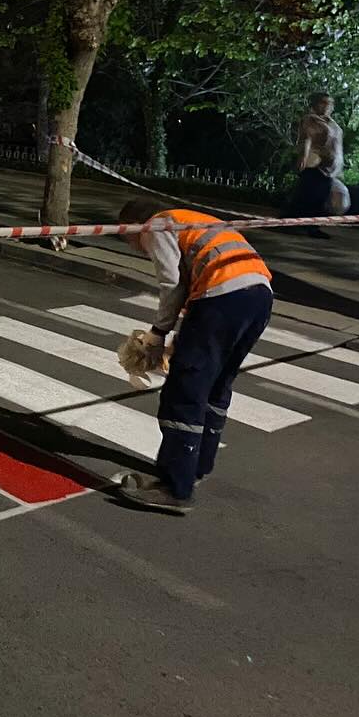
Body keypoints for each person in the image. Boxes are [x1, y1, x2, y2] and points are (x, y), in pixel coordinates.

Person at [114, 198, 274, 515]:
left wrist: (157, 334)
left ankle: (175, 488)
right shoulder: (193, 219)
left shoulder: (157, 226)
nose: (136, 248)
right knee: (215, 386)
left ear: (135, 225)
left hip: (222, 297)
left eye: (129, 239)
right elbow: (195, 283)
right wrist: (183, 334)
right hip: (259, 295)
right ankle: (197, 467)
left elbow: (171, 284)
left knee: (184, 392)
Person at [285, 91, 344, 236]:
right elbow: (307, 138)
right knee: (307, 195)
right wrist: (303, 156)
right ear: (316, 104)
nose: (326, 106)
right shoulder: (311, 120)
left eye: (329, 103)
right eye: (323, 102)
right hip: (315, 165)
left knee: (320, 198)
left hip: (330, 169)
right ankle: (290, 223)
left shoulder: (333, 125)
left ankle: (311, 226)